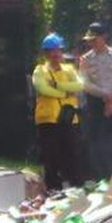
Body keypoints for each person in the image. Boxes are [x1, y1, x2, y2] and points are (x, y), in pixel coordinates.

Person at [79, 22, 112, 178]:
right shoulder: (85, 59)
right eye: (89, 40)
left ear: (104, 37)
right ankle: (100, 175)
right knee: (95, 141)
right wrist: (105, 95)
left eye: (94, 39)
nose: (91, 42)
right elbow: (84, 82)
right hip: (96, 103)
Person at [32, 33, 84, 190]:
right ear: (45, 53)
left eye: (58, 50)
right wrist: (64, 92)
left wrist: (55, 84)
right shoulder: (39, 70)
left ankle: (76, 186)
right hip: (48, 120)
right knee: (51, 157)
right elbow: (42, 88)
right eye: (51, 51)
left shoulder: (69, 69)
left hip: (68, 119)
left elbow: (79, 86)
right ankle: (54, 189)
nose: (55, 54)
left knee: (72, 154)